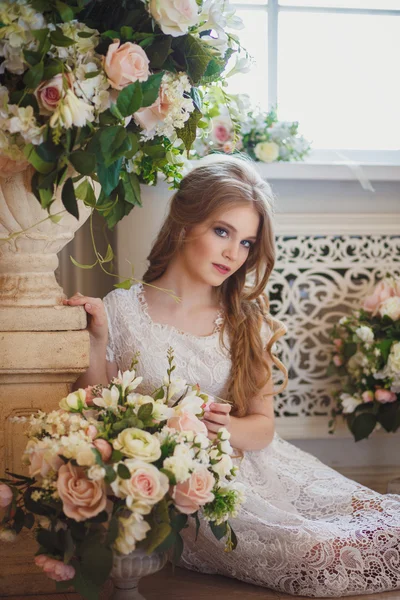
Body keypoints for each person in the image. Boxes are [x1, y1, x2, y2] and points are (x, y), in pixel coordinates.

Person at [65, 155, 400, 597]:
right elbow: (95, 407)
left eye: (246, 242)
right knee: (315, 554)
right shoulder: (123, 311)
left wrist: (226, 429)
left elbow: (263, 428)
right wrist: (96, 340)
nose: (233, 253)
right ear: (185, 223)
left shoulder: (245, 320)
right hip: (201, 491)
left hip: (266, 467)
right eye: (223, 231)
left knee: (386, 525)